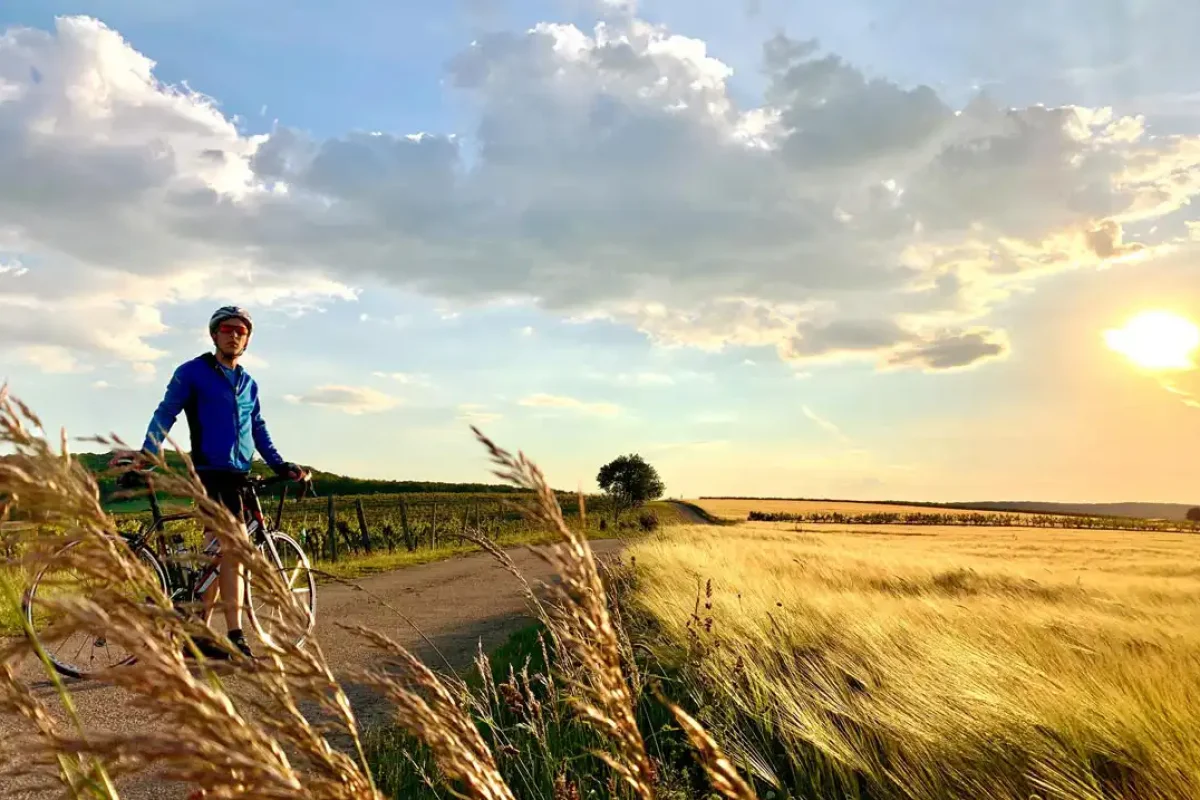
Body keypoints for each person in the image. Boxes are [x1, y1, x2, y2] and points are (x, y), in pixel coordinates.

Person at [113, 305, 306, 659]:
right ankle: (235, 634)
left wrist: (280, 465)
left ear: (247, 339)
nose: (234, 335)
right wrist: (148, 451)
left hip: (240, 475)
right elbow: (166, 411)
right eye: (227, 329)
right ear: (214, 334)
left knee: (215, 556)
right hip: (209, 473)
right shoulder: (193, 373)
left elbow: (257, 427)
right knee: (234, 551)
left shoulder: (248, 383)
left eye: (241, 331)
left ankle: (196, 634)